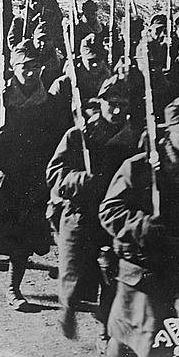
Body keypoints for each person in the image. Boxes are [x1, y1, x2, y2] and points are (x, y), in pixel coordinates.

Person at [98, 96, 179, 357]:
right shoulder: (140, 167)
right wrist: (142, 226)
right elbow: (109, 211)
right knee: (125, 338)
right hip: (141, 271)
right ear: (168, 133)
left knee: (176, 344)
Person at [47, 75, 140, 342]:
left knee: (112, 274)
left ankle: (105, 330)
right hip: (81, 210)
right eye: (112, 103)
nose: (118, 109)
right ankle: (68, 307)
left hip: (114, 214)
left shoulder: (133, 138)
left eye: (123, 103)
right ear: (100, 103)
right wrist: (78, 179)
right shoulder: (79, 135)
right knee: (72, 267)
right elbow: (54, 174)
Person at [0, 39, 61, 310]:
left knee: (23, 237)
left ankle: (14, 289)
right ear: (12, 67)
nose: (30, 72)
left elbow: (59, 136)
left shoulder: (49, 103)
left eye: (35, 66)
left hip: (31, 176)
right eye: (24, 67)